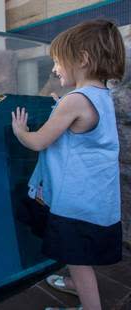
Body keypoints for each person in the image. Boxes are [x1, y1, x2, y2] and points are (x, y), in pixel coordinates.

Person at [11, 19, 125, 310]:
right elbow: (80, 130)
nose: (54, 69)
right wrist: (60, 105)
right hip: (96, 199)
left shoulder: (74, 101)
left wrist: (21, 131)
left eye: (58, 61)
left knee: (77, 257)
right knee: (82, 250)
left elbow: (38, 142)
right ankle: (76, 285)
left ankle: (90, 306)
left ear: (83, 60)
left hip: (75, 203)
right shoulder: (101, 96)